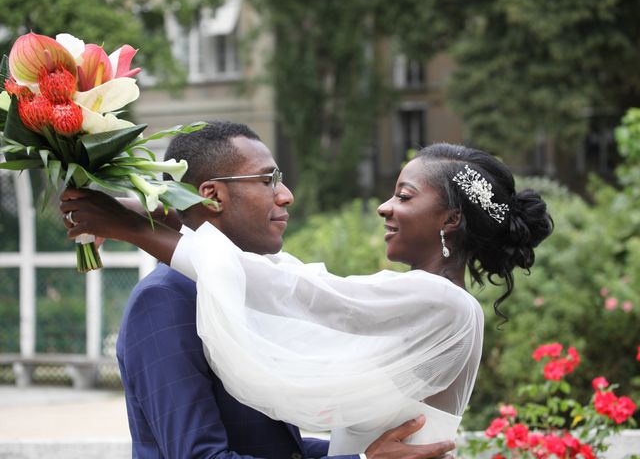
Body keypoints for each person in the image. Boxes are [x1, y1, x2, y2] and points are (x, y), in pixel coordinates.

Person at [60, 138, 553, 455]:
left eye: (404, 196)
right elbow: (279, 280)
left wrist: (131, 226)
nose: (385, 206)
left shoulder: (443, 305)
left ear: (450, 219)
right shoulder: (164, 300)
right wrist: (158, 215)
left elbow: (287, 287)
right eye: (267, 180)